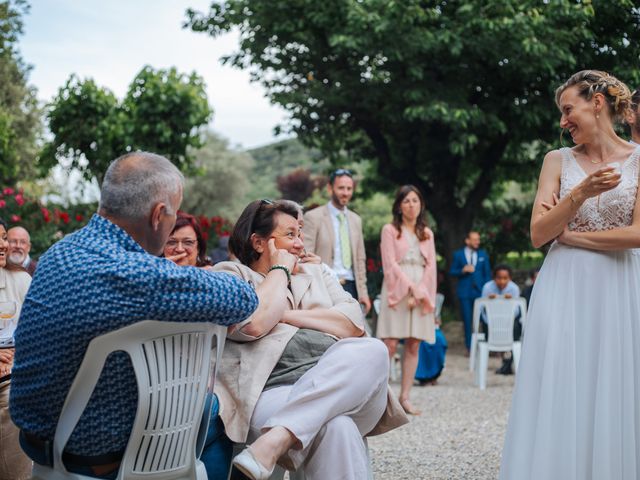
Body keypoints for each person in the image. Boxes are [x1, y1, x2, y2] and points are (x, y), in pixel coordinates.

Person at [9, 152, 259, 479]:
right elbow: (242, 299)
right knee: (221, 415)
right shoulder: (131, 272)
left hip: (43, 443)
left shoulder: (62, 252)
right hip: (97, 458)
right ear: (158, 215)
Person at [500, 70, 640, 480]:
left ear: (596, 103)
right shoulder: (556, 161)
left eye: (568, 109)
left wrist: (574, 239)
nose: (563, 121)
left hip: (620, 286)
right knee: (561, 382)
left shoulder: (639, 159)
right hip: (563, 287)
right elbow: (539, 233)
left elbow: (637, 235)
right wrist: (581, 193)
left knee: (615, 385)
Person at [213, 199, 407, 480]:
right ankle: (282, 434)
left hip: (348, 390)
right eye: (290, 234)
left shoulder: (315, 273)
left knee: (374, 349)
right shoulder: (232, 275)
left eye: (300, 233)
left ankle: (276, 439)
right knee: (337, 427)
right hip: (272, 393)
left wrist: (285, 316)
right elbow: (253, 325)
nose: (300, 244)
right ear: (258, 243)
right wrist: (279, 272)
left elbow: (353, 324)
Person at [376, 185, 437, 416]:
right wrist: (410, 288)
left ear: (421, 205)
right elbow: (389, 263)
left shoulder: (427, 233)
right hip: (397, 287)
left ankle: (405, 397)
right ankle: (378, 397)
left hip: (421, 287)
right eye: (407, 201)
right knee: (389, 344)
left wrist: (420, 290)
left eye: (415, 201)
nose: (412, 205)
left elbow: (431, 265)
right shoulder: (390, 230)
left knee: (414, 343)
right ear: (399, 206)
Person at [302, 169, 371, 314]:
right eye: (341, 188)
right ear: (329, 188)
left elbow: (360, 258)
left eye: (349, 188)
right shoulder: (313, 217)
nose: (345, 193)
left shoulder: (356, 220)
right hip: (325, 286)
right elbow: (305, 255)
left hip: (352, 287)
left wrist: (363, 292)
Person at [0, 218, 32, 480]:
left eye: (3, 238)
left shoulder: (20, 281)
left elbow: (36, 334)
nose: (4, 245)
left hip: (9, 380)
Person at [449, 231, 491, 352]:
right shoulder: (458, 255)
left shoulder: (483, 254)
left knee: (485, 318)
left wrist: (486, 290)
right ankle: (470, 348)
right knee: (467, 321)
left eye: (478, 239)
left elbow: (487, 275)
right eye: (475, 239)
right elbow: (452, 271)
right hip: (465, 292)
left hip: (480, 292)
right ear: (467, 241)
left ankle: (488, 345)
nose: (477, 242)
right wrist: (462, 270)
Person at [480, 264, 521, 375]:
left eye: (505, 278)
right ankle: (505, 364)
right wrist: (490, 302)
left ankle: (507, 363)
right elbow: (481, 311)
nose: (502, 281)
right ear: (494, 278)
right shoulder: (487, 288)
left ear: (510, 278)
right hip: (490, 326)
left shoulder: (514, 288)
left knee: (517, 327)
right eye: (499, 278)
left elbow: (517, 312)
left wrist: (509, 303)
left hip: (510, 324)